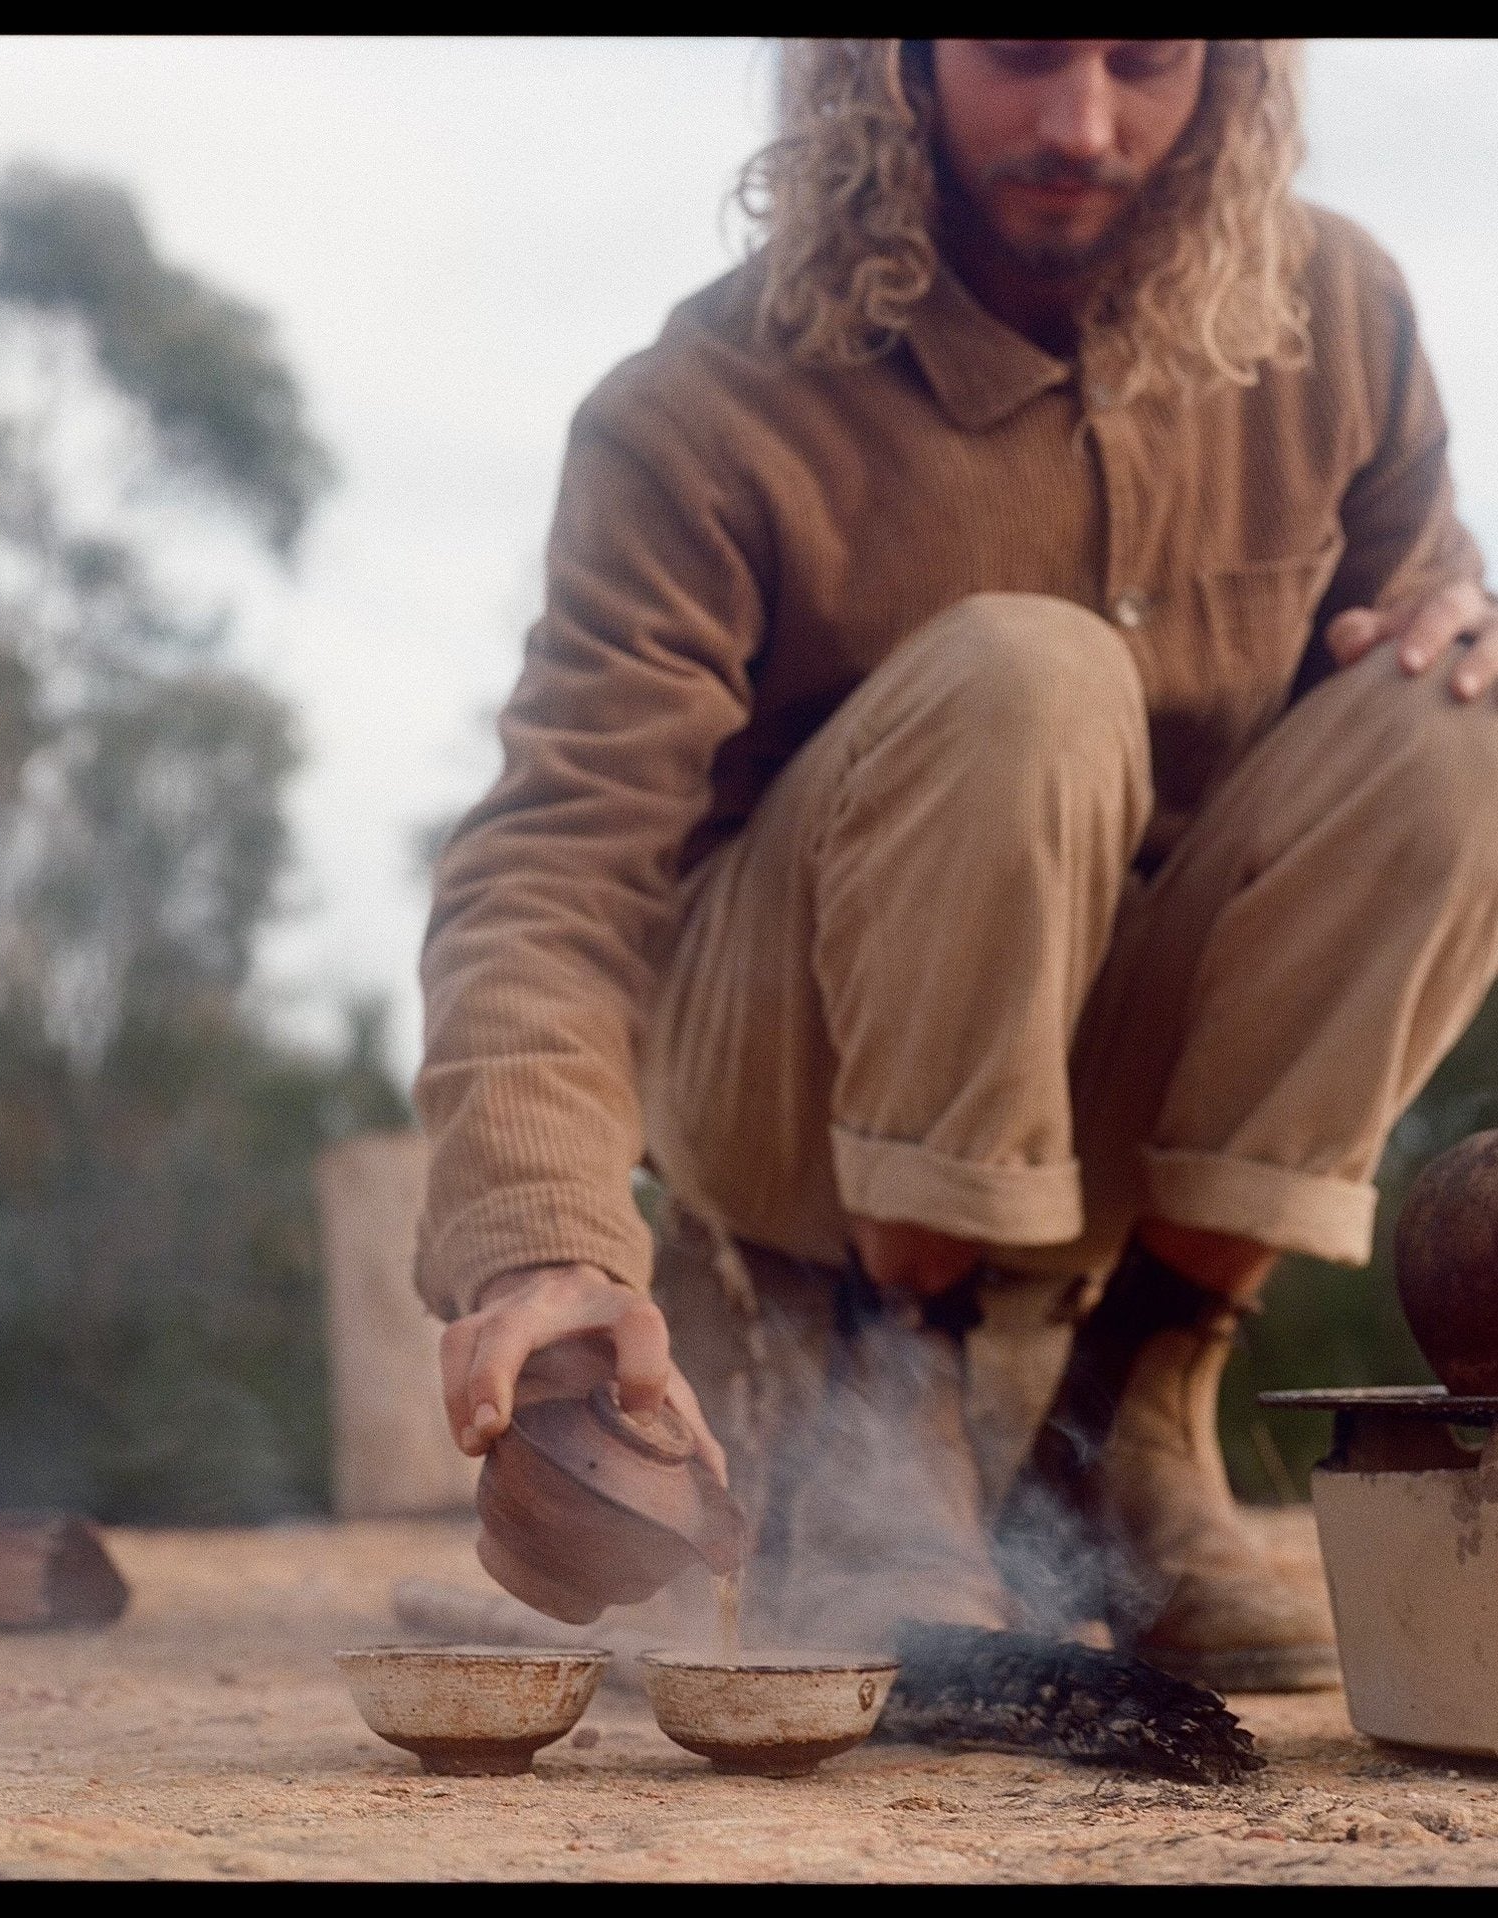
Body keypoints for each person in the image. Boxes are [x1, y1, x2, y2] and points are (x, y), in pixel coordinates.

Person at [415, 39, 1498, 1689]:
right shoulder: (696, 405)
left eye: (1144, 60)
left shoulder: (1340, 314)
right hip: (791, 1090)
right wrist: (542, 1235)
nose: (1082, 122)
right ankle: (882, 1393)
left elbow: (1418, 636)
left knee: (1466, 711)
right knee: (1027, 673)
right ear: (892, 59)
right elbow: (553, 866)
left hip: (1124, 1110)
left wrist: (1455, 627)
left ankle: (1127, 1412)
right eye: (1019, 52)